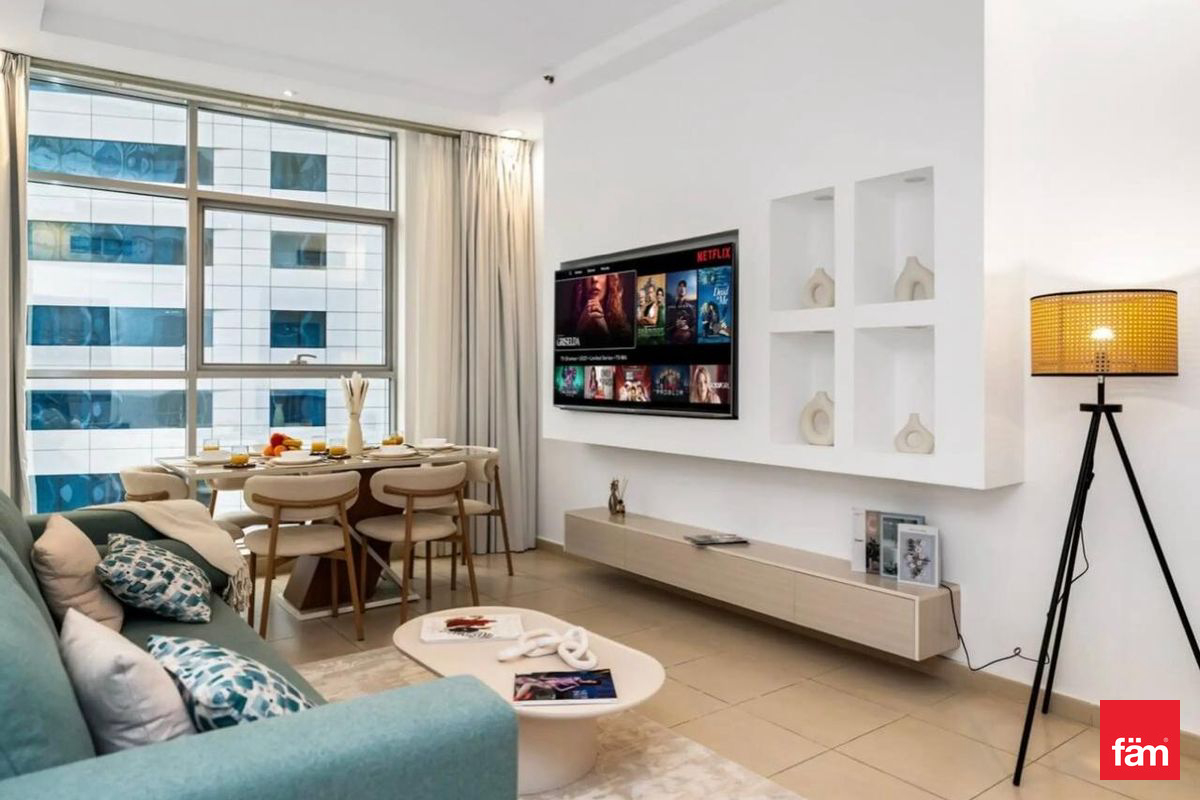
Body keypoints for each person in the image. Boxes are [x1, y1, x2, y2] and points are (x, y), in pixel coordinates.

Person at [573, 274, 632, 345]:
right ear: (583, 282)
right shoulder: (568, 327)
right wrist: (578, 333)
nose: (594, 278)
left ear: (609, 280)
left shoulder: (624, 329)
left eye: (600, 274)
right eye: (589, 274)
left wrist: (606, 335)